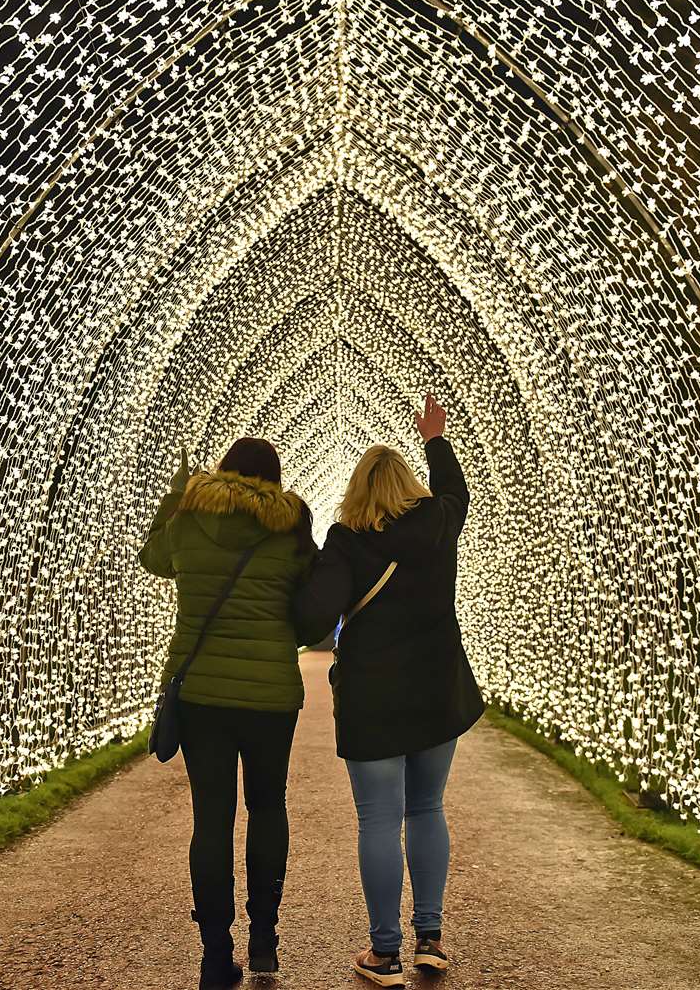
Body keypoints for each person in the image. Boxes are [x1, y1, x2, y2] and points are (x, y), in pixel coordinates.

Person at [293, 394, 485, 987]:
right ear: (410, 488)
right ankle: (431, 939)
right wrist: (436, 438)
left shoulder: (347, 540)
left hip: (374, 696)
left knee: (378, 821)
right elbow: (456, 494)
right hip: (436, 688)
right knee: (427, 808)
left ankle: (386, 953)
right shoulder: (437, 524)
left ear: (356, 493)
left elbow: (311, 623)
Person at [138, 437, 320, 987]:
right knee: (268, 808)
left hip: (201, 697)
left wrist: (174, 498)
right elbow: (309, 610)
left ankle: (215, 955)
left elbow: (153, 560)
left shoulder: (191, 518)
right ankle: (264, 940)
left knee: (211, 820)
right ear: (275, 479)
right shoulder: (291, 526)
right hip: (271, 696)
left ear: (223, 471)